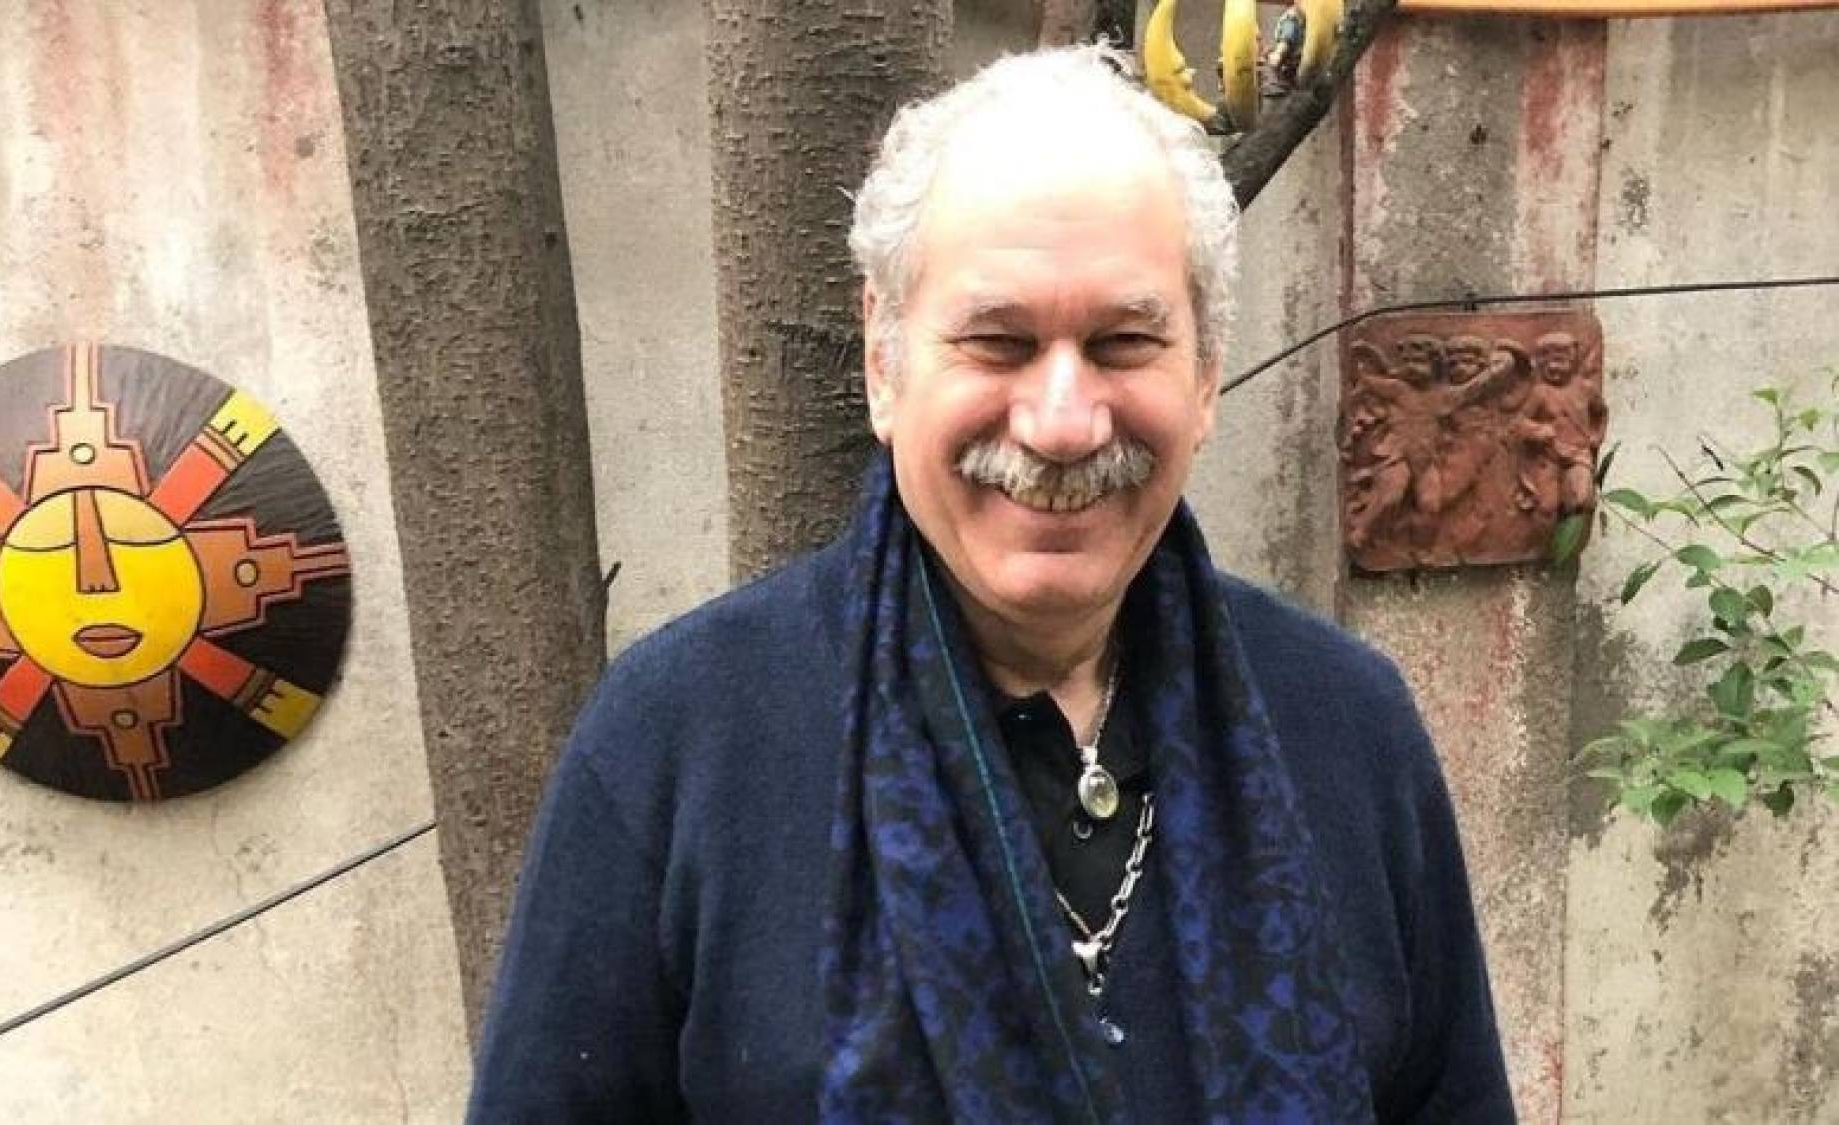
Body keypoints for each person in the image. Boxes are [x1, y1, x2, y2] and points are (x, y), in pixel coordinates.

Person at [467, 46, 1513, 1123]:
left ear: (1203, 374)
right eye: (998, 342)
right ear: (885, 363)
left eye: (1123, 342)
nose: (1061, 422)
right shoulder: (679, 743)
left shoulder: (1346, 727)